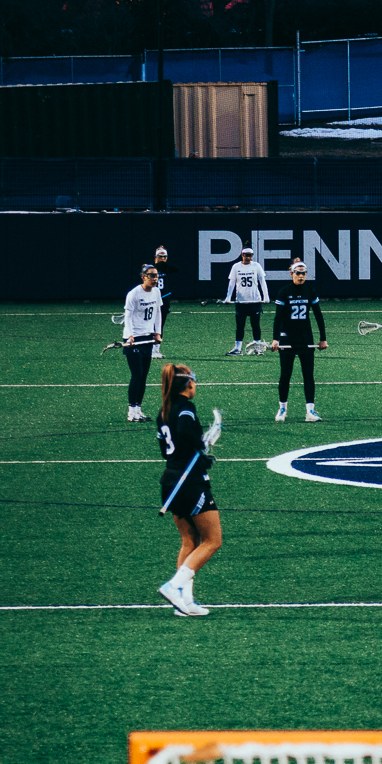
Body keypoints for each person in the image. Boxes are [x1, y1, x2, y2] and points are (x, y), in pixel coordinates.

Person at [155, 363, 221, 618]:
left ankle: (185, 601)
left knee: (189, 540)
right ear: (188, 384)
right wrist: (201, 448)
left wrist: (197, 449)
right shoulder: (185, 409)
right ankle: (174, 586)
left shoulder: (164, 411)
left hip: (171, 479)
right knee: (213, 540)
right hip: (189, 481)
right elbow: (184, 431)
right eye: (194, 381)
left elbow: (166, 448)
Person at [272, 259, 329, 423]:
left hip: (305, 340)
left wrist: (322, 338)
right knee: (285, 376)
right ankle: (282, 408)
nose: (301, 276)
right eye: (298, 273)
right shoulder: (284, 292)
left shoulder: (309, 291)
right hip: (287, 339)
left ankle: (310, 411)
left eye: (304, 273)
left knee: (308, 376)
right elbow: (278, 318)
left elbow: (318, 315)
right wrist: (276, 339)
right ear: (292, 274)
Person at [121, 264, 165, 422]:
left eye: (156, 275)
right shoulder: (133, 294)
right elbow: (128, 316)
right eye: (151, 275)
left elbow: (158, 312)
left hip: (148, 338)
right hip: (134, 339)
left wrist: (158, 332)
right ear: (143, 277)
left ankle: (138, 410)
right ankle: (131, 412)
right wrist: (130, 336)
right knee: (137, 374)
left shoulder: (157, 292)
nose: (155, 278)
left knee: (144, 376)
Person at [224, 246, 268, 355]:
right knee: (240, 325)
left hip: (254, 301)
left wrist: (266, 296)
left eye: (250, 255)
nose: (248, 258)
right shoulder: (236, 267)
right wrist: (228, 297)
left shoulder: (256, 266)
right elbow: (232, 282)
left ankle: (258, 348)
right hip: (241, 301)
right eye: (246, 255)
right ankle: (238, 348)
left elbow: (262, 281)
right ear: (242, 255)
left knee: (255, 325)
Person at [151, 246, 175, 331]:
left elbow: (176, 269)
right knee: (151, 324)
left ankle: (157, 344)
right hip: (152, 298)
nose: (163, 259)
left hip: (164, 298)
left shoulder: (166, 268)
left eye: (164, 257)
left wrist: (164, 264)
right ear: (156, 257)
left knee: (160, 325)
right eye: (160, 256)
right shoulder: (151, 268)